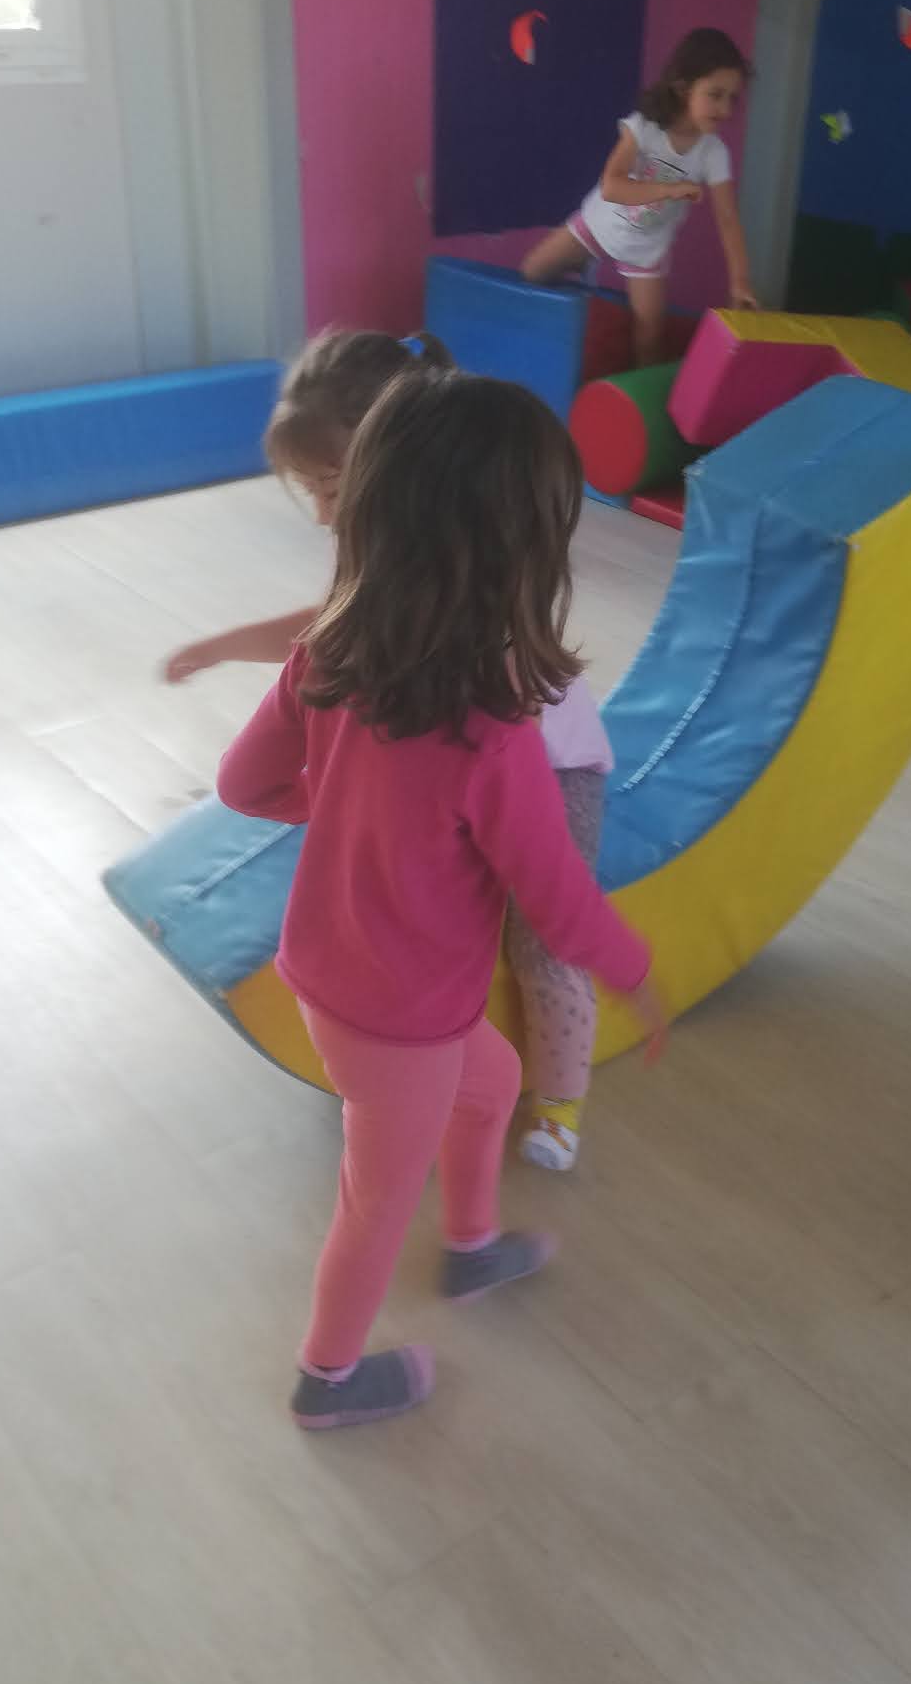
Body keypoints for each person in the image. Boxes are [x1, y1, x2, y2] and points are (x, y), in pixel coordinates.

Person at [214, 368, 665, 1428]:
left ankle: (470, 1248)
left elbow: (242, 785)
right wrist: (638, 975)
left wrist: (345, 804)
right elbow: (556, 897)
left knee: (493, 1082)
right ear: (525, 552)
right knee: (376, 1200)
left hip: (342, 977)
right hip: (401, 1014)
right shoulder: (494, 731)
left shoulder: (325, 655)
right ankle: (326, 1380)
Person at [166, 328, 616, 1174]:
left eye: (333, 488)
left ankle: (560, 1102)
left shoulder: (474, 561)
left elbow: (492, 732)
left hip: (547, 770)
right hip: (455, 759)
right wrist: (224, 647)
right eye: (313, 492)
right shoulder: (384, 547)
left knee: (543, 937)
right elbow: (327, 632)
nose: (325, 514)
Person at [521, 26, 758, 364]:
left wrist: (740, 281)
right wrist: (669, 189)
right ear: (683, 87)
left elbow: (728, 219)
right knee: (533, 272)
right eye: (715, 94)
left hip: (646, 251)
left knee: (649, 339)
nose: (725, 109)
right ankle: (581, 269)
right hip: (598, 226)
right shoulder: (644, 126)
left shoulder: (713, 152)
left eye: (732, 98)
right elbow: (612, 187)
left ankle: (640, 395)